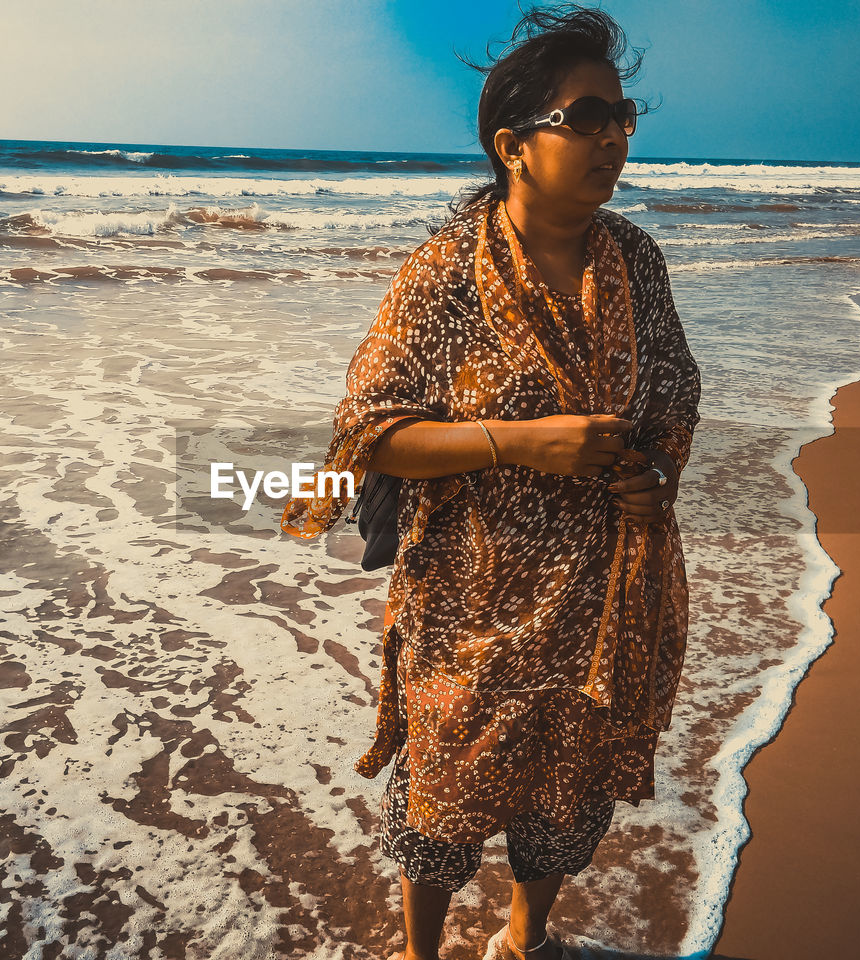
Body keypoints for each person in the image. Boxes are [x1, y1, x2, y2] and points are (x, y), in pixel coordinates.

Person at [280, 5, 701, 958]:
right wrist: (517, 443)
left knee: (567, 790)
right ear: (513, 144)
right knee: (443, 801)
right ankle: (420, 954)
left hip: (604, 593)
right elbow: (371, 434)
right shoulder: (442, 277)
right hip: (473, 600)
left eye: (622, 115)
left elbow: (674, 388)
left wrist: (656, 476)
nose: (613, 138)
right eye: (587, 117)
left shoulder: (636, 259)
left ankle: (522, 939)